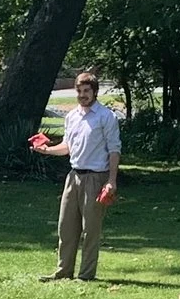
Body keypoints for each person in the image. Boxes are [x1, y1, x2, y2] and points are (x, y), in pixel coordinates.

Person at [33, 68, 121, 282]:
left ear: (95, 92)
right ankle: (63, 271)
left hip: (96, 177)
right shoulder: (72, 117)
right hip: (73, 176)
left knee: (90, 229)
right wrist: (46, 150)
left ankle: (86, 275)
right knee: (66, 226)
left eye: (86, 91)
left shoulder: (105, 117)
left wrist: (111, 181)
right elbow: (67, 147)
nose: (82, 95)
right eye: (79, 91)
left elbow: (114, 150)